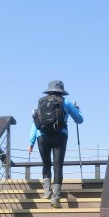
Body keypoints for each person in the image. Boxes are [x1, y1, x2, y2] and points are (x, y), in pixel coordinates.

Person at [27, 80, 83, 208]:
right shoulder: (65, 102)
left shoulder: (41, 103)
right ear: (61, 92)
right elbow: (79, 120)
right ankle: (56, 198)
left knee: (46, 163)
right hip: (60, 136)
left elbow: (35, 123)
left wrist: (31, 143)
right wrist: (77, 109)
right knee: (58, 166)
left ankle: (47, 192)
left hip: (41, 136)